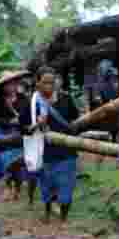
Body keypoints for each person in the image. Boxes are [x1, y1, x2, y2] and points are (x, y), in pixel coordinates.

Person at [27, 67, 80, 223]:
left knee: (66, 188)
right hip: (44, 151)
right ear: (38, 84)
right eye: (45, 83)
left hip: (67, 151)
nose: (49, 86)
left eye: (52, 82)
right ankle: (48, 213)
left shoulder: (66, 98)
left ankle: (63, 218)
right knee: (46, 186)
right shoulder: (33, 103)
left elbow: (75, 121)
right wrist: (37, 124)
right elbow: (24, 128)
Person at [0, 70, 31, 201]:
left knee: (18, 163)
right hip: (4, 135)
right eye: (8, 84)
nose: (12, 86)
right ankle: (8, 188)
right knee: (7, 162)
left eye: (13, 83)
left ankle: (16, 189)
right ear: (3, 86)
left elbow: (29, 114)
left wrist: (20, 120)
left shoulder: (23, 98)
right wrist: (8, 122)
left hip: (20, 135)